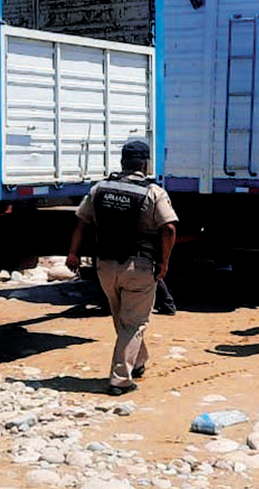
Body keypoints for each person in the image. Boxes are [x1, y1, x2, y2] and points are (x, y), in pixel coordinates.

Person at [67, 140, 178, 395]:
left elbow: (81, 221)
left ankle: (138, 361)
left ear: (122, 162)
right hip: (138, 266)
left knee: (122, 318)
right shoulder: (152, 192)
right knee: (133, 323)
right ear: (144, 164)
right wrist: (164, 262)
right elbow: (169, 228)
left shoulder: (99, 188)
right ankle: (120, 380)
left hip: (104, 266)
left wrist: (73, 253)